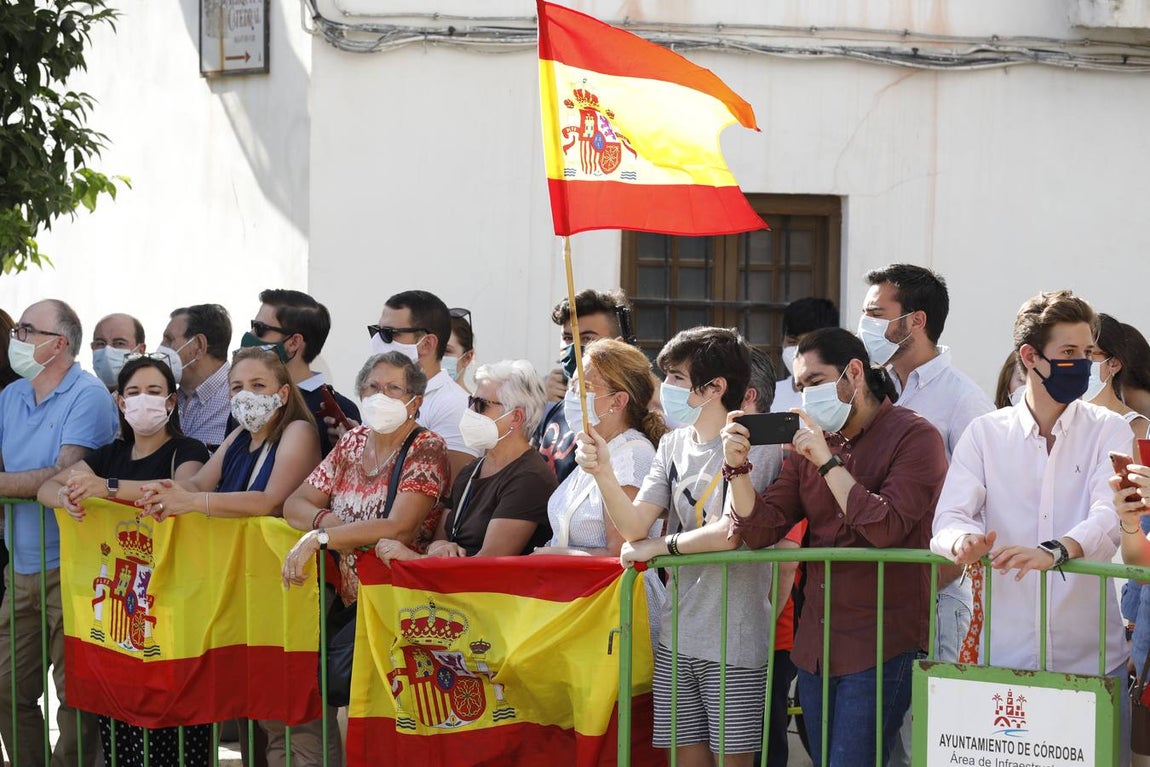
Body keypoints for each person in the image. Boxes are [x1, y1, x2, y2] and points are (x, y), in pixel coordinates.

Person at [722, 327, 947, 766]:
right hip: (817, 645)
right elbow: (760, 528)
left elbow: (887, 526)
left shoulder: (915, 437)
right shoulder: (809, 446)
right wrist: (738, 469)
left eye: (816, 381)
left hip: (882, 641)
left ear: (854, 373)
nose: (806, 395)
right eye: (801, 386)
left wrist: (827, 463)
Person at [931, 290, 1131, 765]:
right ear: (1030, 356)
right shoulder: (986, 433)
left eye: (1087, 354)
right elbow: (949, 518)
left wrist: (1057, 550)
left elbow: (1110, 517)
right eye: (1068, 354)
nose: (1082, 365)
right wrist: (963, 542)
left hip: (1091, 662)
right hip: (1004, 655)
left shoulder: (1110, 429)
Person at [576, 327, 781, 767]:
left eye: (675, 378)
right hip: (675, 633)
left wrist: (659, 547)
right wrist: (604, 473)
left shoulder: (757, 445)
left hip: (734, 636)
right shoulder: (671, 443)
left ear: (715, 388)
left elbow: (730, 532)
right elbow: (634, 526)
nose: (664, 389)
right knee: (685, 759)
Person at [134, 347, 327, 767]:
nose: (246, 395)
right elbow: (199, 481)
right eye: (237, 386)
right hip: (242, 586)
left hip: (284, 585)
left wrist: (194, 502)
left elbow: (269, 500)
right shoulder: (240, 434)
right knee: (255, 706)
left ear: (282, 392)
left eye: (258, 385)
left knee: (288, 712)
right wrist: (152, 491)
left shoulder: (297, 430)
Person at [38, 356, 211, 767]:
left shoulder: (187, 449)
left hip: (172, 607)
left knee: (173, 730)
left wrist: (105, 489)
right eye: (133, 393)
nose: (143, 401)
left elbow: (182, 489)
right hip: (117, 614)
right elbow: (48, 485)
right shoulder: (108, 454)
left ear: (171, 403)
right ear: (119, 402)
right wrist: (64, 496)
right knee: (120, 727)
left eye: (154, 392)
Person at [859, 263, 993, 765]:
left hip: (935, 599)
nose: (865, 323)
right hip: (869, 599)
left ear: (915, 321)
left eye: (876, 313)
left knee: (926, 745)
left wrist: (942, 571)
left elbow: (979, 503)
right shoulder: (867, 386)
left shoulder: (964, 402)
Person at [0, 299, 119, 767]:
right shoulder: (10, 396)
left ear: (59, 344)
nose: (17, 337)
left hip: (73, 565)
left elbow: (67, 474)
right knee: (7, 686)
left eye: (27, 329)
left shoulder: (86, 394)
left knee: (77, 698)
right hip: (20, 565)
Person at [280, 352, 450, 606]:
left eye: (393, 388)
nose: (380, 395)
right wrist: (328, 522)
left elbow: (400, 528)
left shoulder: (426, 447)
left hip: (398, 600)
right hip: (351, 601)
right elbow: (295, 504)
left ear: (415, 403)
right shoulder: (352, 441)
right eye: (373, 386)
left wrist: (321, 537)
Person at [377, 360, 556, 561]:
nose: (470, 412)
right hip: (453, 587)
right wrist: (440, 547)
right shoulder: (471, 470)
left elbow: (488, 563)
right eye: (471, 402)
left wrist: (413, 559)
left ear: (515, 417)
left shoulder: (530, 478)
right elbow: (439, 541)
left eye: (480, 405)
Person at [542, 339, 666, 557]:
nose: (573, 396)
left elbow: (620, 552)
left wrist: (552, 556)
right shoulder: (593, 447)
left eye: (585, 388)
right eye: (573, 386)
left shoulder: (633, 455)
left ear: (618, 401)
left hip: (611, 590)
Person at [370, 290, 474, 480]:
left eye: (389, 334)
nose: (378, 341)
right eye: (376, 331)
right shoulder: (381, 392)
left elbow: (446, 491)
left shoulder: (455, 405)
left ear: (426, 344)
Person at [243, 289, 362, 456]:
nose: (250, 335)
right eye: (253, 326)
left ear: (293, 342)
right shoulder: (246, 397)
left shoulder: (337, 411)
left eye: (260, 328)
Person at [535, 289, 631, 484]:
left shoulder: (623, 413)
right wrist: (537, 404)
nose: (573, 347)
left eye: (587, 338)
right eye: (568, 338)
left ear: (617, 345)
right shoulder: (551, 403)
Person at [159, 304, 233, 451]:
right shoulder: (165, 398)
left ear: (199, 345)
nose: (161, 346)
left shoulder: (238, 398)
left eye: (169, 339)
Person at [1088, 313, 1150, 447]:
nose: (1078, 362)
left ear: (1114, 364)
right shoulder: (1058, 425)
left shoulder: (1138, 430)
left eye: (1088, 353)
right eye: (1069, 352)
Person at [772, 297, 839, 415]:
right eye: (792, 342)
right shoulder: (768, 396)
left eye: (809, 343)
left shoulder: (841, 397)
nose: (799, 350)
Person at [89, 312, 146, 391]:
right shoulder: (80, 396)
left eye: (119, 343)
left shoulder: (153, 399)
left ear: (140, 351)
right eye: (101, 343)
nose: (107, 351)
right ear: (92, 347)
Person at [444, 307, 475, 393]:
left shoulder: (473, 405)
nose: (436, 356)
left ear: (468, 357)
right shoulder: (412, 402)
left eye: (446, 351)